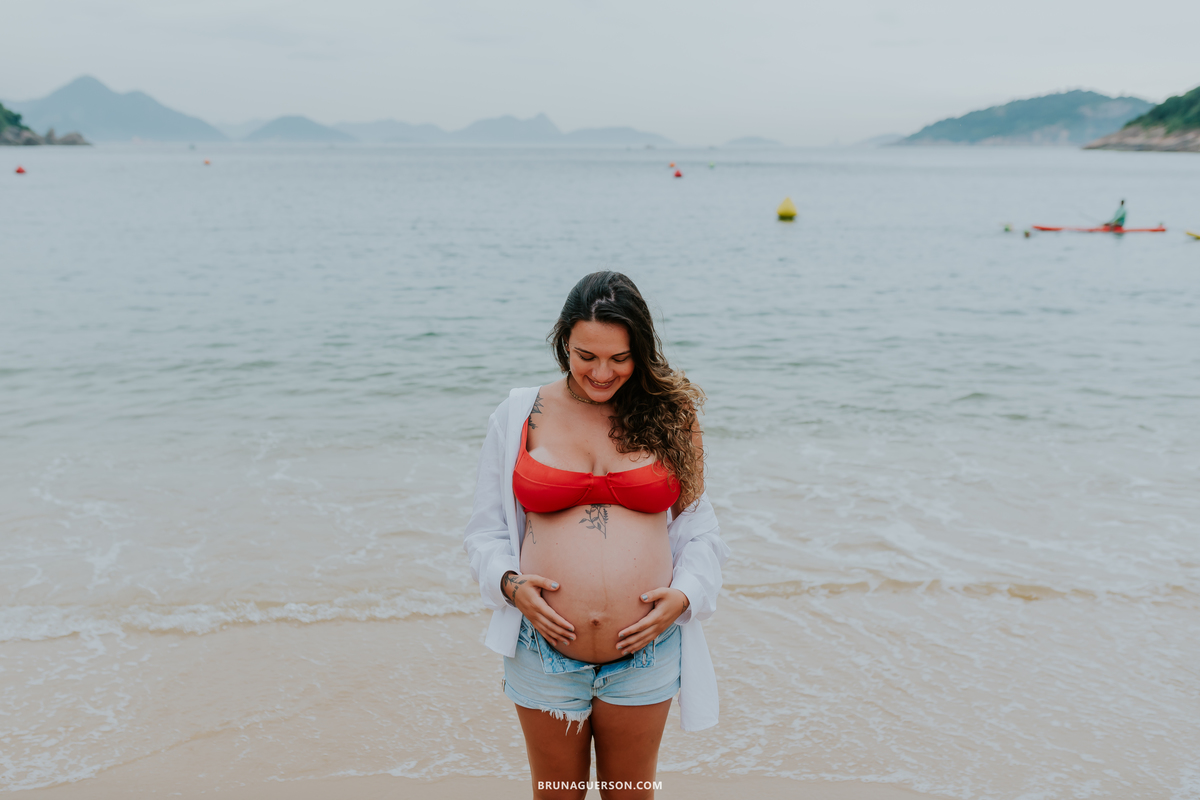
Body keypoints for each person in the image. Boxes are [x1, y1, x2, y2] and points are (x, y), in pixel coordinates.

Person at [463, 271, 729, 800]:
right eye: (586, 355)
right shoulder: (519, 414)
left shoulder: (672, 416)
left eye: (619, 358)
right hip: (543, 650)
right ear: (563, 339)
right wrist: (511, 586)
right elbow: (485, 531)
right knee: (557, 794)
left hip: (646, 652)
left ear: (641, 350)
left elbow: (698, 527)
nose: (601, 373)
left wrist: (685, 597)